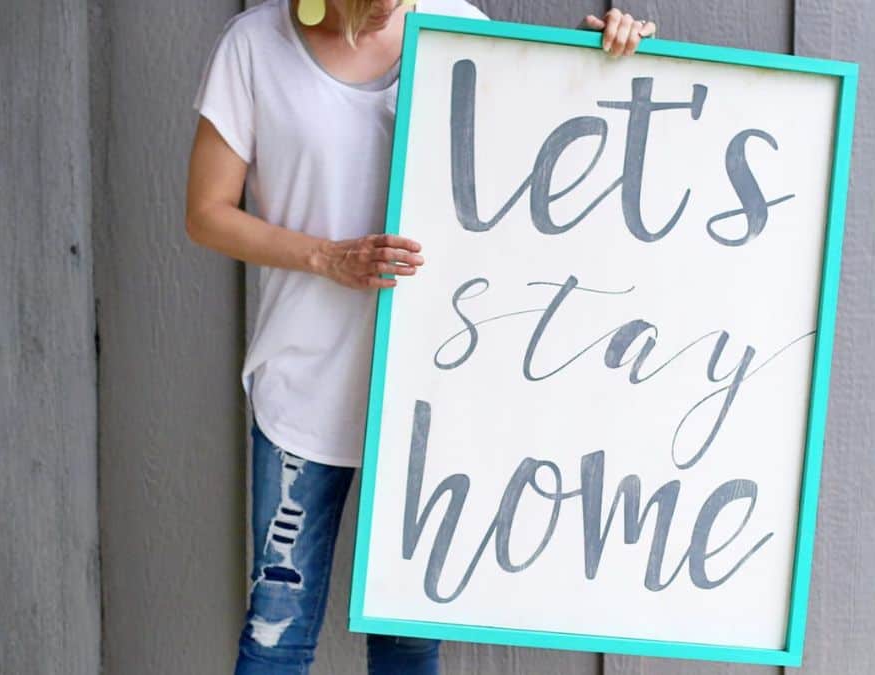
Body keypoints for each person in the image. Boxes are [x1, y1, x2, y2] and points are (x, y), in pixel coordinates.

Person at [185, 0, 655, 672]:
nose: (387, 9)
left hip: (430, 399)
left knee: (408, 645)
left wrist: (599, 58)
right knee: (275, 637)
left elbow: (546, 163)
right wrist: (326, 257)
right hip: (302, 389)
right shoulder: (253, 47)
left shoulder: (458, 29)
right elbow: (206, 212)